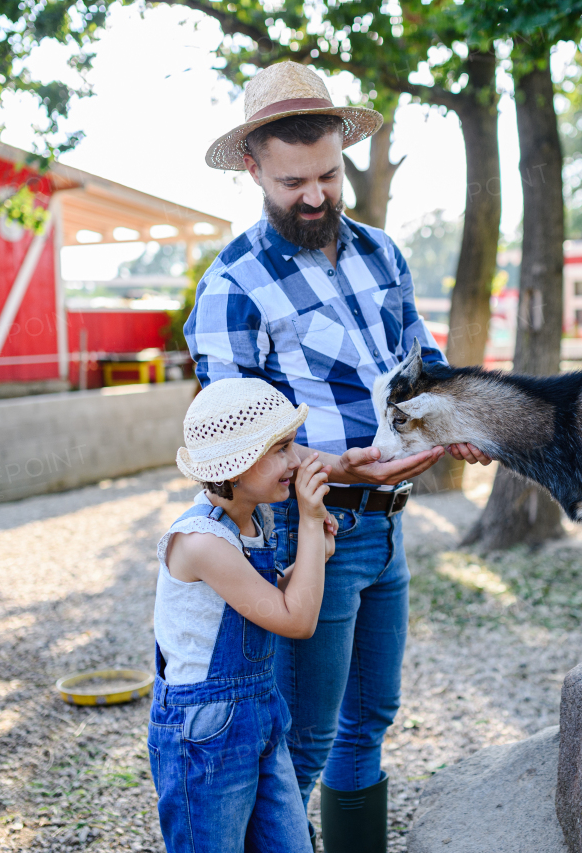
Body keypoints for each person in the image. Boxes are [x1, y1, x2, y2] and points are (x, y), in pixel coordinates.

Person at [187, 60, 491, 852]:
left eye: (327, 173)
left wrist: (453, 417)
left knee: (370, 724)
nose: (316, 195)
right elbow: (232, 445)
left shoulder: (381, 253)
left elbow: (418, 357)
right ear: (253, 168)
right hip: (309, 534)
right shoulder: (232, 286)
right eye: (294, 182)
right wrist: (342, 465)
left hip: (388, 525)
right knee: (303, 746)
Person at [149, 378, 339, 852]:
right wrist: (311, 524)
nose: (296, 461)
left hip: (259, 710)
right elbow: (296, 621)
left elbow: (265, 600)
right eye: (281, 449)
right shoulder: (201, 542)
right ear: (235, 465)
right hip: (206, 728)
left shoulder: (252, 521)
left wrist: (318, 552)